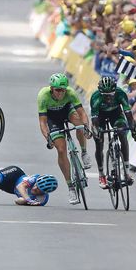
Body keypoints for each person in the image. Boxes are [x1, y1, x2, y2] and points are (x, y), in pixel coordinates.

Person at [37, 73, 92, 205]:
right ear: (51, 89)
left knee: (79, 125)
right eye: (58, 90)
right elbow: (43, 122)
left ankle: (84, 152)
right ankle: (71, 187)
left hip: (67, 111)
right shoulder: (43, 96)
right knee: (61, 150)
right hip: (52, 118)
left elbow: (82, 113)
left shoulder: (70, 93)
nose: (61, 93)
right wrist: (48, 138)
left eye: (63, 90)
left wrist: (86, 127)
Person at [90, 76, 136, 189]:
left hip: (116, 115)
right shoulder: (95, 97)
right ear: (100, 92)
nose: (108, 98)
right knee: (99, 143)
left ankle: (126, 173)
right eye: (105, 95)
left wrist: (133, 130)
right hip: (100, 117)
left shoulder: (120, 93)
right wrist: (97, 131)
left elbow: (128, 114)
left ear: (115, 91)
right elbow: (94, 120)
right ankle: (101, 174)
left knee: (122, 135)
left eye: (111, 95)